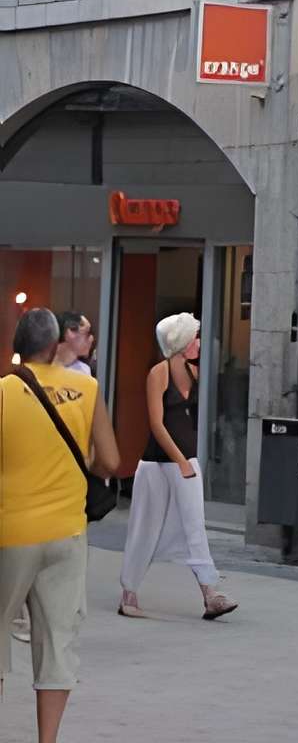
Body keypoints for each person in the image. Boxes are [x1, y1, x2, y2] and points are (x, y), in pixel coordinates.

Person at [0, 304, 120, 743]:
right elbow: (111, 461)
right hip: (67, 534)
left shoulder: (3, 393)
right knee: (57, 644)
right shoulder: (84, 390)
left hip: (10, 534)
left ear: (18, 347)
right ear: (54, 347)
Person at [117, 313, 236, 621]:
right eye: (194, 337)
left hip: (186, 459)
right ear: (180, 342)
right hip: (158, 462)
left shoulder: (194, 372)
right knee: (145, 526)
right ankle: (128, 592)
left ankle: (210, 593)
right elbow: (156, 423)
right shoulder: (158, 373)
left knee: (194, 524)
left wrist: (189, 460)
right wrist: (181, 461)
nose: (199, 342)